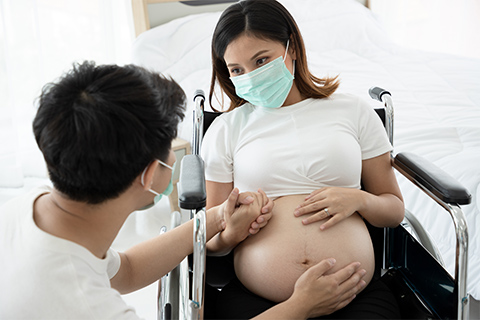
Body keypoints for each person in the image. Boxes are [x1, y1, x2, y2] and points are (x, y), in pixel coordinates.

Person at [0, 61, 366, 319]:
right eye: (171, 149)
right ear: (150, 175)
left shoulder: (28, 210)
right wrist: (299, 306)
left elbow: (124, 270)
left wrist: (216, 218)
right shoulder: (89, 306)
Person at [201, 0, 405, 318]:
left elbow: (393, 209)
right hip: (261, 302)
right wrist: (232, 233)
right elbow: (208, 239)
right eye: (237, 70)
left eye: (261, 60)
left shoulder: (353, 111)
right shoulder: (226, 130)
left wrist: (359, 200)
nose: (251, 77)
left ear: (292, 47)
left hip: (353, 295)